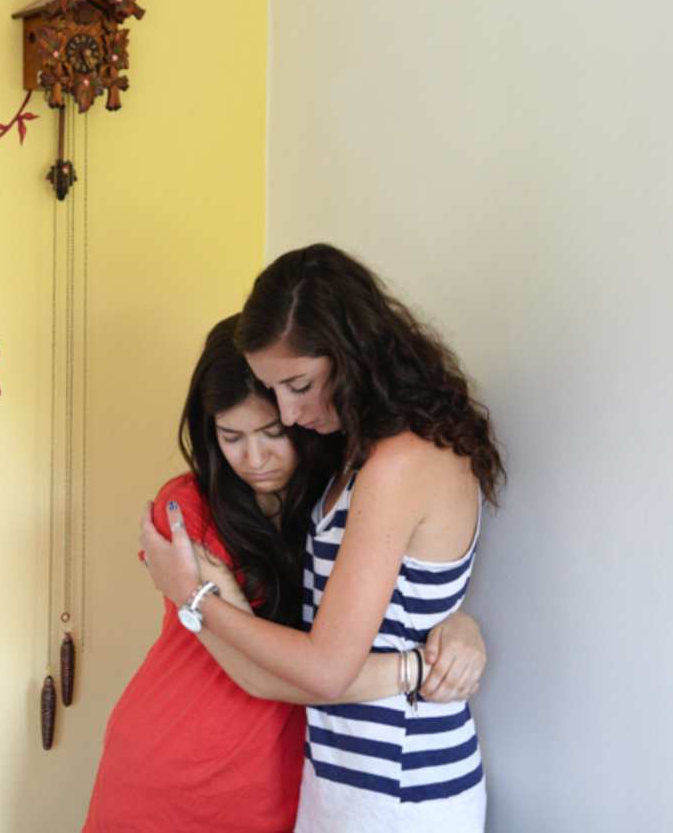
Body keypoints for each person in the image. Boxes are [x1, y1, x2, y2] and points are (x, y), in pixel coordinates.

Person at [142, 245, 505, 833]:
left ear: (353, 353)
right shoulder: (361, 455)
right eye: (273, 389)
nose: (287, 411)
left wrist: (195, 597)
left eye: (299, 384)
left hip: (400, 785)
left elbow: (328, 669)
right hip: (342, 772)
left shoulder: (401, 461)